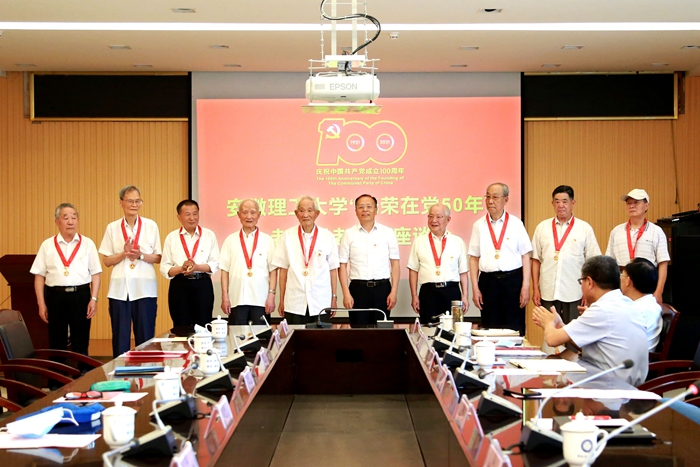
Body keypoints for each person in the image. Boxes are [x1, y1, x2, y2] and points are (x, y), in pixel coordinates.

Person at [532, 255, 649, 386]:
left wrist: (548, 322)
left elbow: (552, 340)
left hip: (610, 386)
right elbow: (586, 343)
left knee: (549, 375)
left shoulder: (602, 309)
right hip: (625, 382)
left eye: (581, 282)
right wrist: (561, 325)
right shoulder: (625, 303)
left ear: (589, 282)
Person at [31, 203, 102, 358]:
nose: (71, 222)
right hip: (55, 296)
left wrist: (94, 299)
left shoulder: (87, 244)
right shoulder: (47, 245)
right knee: (56, 341)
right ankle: (57, 374)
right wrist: (41, 304)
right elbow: (39, 276)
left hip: (80, 296)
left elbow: (96, 274)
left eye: (74, 217)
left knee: (81, 340)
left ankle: (83, 372)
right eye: (66, 218)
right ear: (57, 221)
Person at [99, 186, 162, 358]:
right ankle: (120, 371)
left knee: (146, 336)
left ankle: (147, 370)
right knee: (120, 337)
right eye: (130, 201)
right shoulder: (112, 227)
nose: (134, 205)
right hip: (119, 290)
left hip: (145, 289)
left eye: (137, 201)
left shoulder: (151, 225)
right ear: (121, 202)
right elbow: (106, 261)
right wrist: (123, 253)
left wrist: (140, 255)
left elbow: (158, 258)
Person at [468, 182, 532, 335]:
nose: (490, 201)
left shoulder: (516, 224)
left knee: (514, 328)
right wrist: (475, 289)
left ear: (506, 200)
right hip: (488, 283)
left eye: (495, 197)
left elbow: (525, 255)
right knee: (490, 328)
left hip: (513, 281)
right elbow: (474, 258)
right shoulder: (479, 225)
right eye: (488, 197)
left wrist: (525, 286)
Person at [531, 185, 601, 324]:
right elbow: (535, 260)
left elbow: (593, 263)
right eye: (557, 201)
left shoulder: (584, 228)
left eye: (564, 201)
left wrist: (589, 292)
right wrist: (535, 289)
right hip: (548, 290)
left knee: (573, 330)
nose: (560, 205)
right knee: (549, 330)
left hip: (574, 291)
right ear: (552, 203)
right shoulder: (542, 227)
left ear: (573, 203)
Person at [273, 196, 339, 325]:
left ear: (317, 213)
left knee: (321, 337)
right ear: (296, 214)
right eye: (301, 210)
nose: (305, 215)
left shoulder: (327, 236)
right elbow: (283, 270)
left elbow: (333, 270)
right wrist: (282, 299)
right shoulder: (287, 236)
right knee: (296, 336)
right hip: (294, 301)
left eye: (310, 210)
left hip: (320, 301)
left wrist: (334, 298)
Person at [338, 194, 400, 327]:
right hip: (358, 290)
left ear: (376, 210)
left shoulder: (387, 232)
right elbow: (342, 265)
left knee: (381, 331)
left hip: (382, 289)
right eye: (361, 207)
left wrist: (394, 291)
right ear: (356, 211)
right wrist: (346, 293)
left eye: (369, 206)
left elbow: (395, 264)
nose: (365, 210)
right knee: (358, 331)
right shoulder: (349, 234)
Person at [160, 199, 220, 328]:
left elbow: (214, 264)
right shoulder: (172, 237)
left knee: (204, 325)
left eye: (195, 213)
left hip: (202, 284)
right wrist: (181, 268)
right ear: (179, 217)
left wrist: (197, 267)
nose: (192, 218)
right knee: (181, 326)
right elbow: (165, 267)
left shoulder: (209, 235)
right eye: (187, 214)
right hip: (179, 285)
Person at [407, 204, 468, 325]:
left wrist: (465, 296)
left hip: (451, 291)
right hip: (428, 293)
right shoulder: (419, 241)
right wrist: (414, 296)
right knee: (428, 329)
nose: (433, 220)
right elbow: (413, 270)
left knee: (453, 329)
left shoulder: (457, 242)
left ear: (448, 219)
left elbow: (463, 272)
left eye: (438, 217)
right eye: (430, 216)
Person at [220, 199, 277, 325]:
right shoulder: (230, 240)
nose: (249, 216)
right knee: (237, 335)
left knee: (261, 335)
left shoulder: (267, 240)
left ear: (259, 215)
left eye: (253, 212)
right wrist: (225, 296)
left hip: (261, 299)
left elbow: (273, 271)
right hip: (237, 298)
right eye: (245, 212)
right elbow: (224, 271)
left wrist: (271, 295)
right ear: (238, 215)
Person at [606, 189, 669, 303]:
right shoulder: (616, 231)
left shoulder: (657, 231)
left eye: (636, 202)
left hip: (647, 283)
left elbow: (663, 264)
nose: (631, 206)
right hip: (622, 286)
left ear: (646, 206)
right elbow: (609, 262)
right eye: (629, 203)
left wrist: (659, 292)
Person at [621, 257, 663, 352]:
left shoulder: (639, 310)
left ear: (628, 281)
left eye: (622, 275)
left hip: (632, 359)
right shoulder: (647, 304)